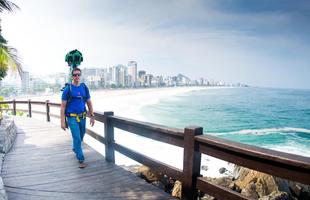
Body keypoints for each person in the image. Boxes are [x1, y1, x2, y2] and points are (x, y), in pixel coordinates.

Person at [60, 67, 95, 168]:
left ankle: (75, 148)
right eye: (75, 75)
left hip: (83, 117)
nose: (77, 77)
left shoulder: (84, 87)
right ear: (72, 76)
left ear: (81, 75)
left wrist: (92, 116)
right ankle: (81, 159)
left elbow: (89, 102)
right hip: (72, 117)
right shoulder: (68, 89)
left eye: (78, 75)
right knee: (77, 137)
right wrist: (62, 122)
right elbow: (62, 107)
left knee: (81, 135)